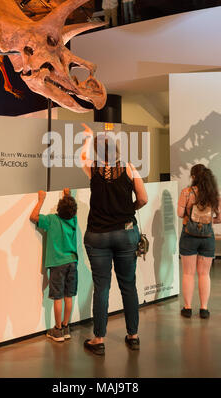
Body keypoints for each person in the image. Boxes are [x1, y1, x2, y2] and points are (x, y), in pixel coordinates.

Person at [80, 124, 148, 355]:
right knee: (128, 285)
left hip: (97, 235)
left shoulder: (93, 168)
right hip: (125, 233)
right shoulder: (129, 169)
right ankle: (134, 336)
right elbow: (143, 198)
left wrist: (88, 138)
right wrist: (127, 208)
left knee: (102, 287)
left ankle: (99, 339)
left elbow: (81, 156)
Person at [30, 188, 78, 342]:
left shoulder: (51, 220)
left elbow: (33, 216)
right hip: (72, 262)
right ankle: (65, 326)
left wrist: (41, 199)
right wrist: (68, 195)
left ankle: (57, 330)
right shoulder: (73, 220)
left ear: (58, 208)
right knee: (68, 296)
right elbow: (71, 210)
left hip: (58, 264)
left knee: (58, 298)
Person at [177, 164, 221, 319]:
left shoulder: (187, 193)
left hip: (189, 236)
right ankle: (204, 309)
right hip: (207, 237)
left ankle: (188, 308)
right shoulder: (214, 195)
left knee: (188, 274)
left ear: (193, 177)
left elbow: (179, 213)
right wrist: (207, 221)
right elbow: (220, 219)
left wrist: (192, 220)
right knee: (204, 274)